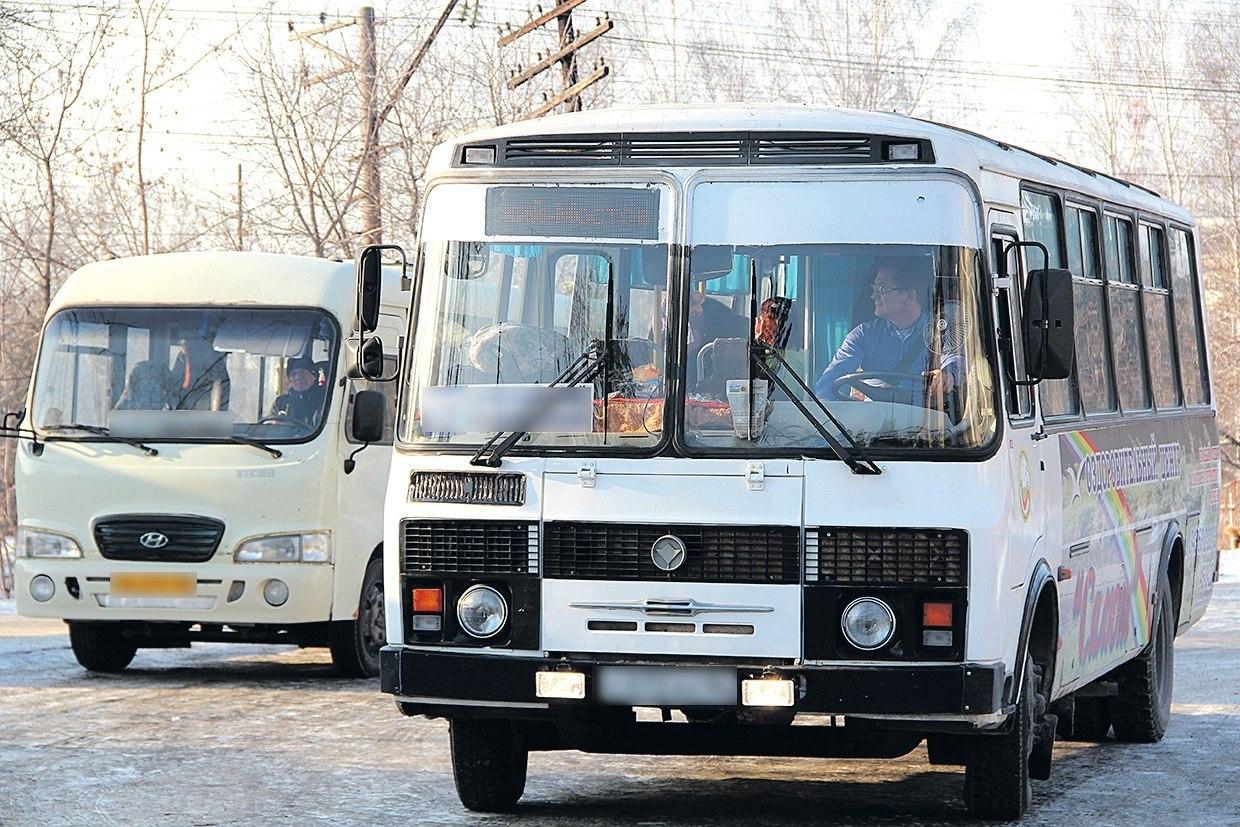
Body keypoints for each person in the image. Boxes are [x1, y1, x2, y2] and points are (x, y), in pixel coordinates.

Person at [814, 260, 960, 406]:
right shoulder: (863, 335)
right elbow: (829, 381)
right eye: (874, 288)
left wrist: (946, 375)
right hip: (870, 425)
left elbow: (955, 359)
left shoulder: (941, 330)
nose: (873, 296)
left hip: (928, 423)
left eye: (882, 289)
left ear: (908, 296)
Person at [269, 356, 325, 426]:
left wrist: (292, 428)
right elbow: (270, 427)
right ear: (289, 378)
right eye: (294, 374)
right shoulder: (280, 403)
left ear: (314, 376)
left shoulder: (324, 401)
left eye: (303, 372)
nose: (298, 377)